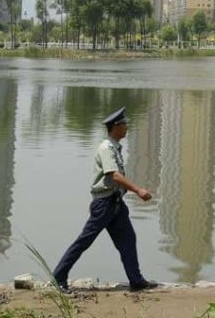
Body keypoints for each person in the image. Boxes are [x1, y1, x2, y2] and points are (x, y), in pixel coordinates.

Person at [52, 106, 159, 293]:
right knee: (84, 241)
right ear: (116, 127)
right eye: (125, 124)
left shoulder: (114, 148)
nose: (127, 128)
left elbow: (111, 178)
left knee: (128, 240)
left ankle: (136, 280)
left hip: (115, 203)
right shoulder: (106, 148)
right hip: (105, 205)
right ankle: (59, 276)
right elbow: (114, 175)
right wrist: (138, 190)